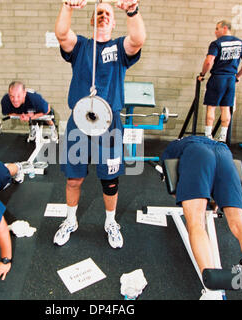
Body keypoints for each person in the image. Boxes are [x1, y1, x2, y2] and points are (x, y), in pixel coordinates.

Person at [53, 0, 145, 248]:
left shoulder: (119, 46)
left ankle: (110, 223)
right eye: (98, 13)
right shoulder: (82, 45)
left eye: (108, 13)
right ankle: (71, 221)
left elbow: (137, 39)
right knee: (73, 179)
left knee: (110, 180)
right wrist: (67, 5)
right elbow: (61, 33)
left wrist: (132, 10)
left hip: (110, 124)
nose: (103, 16)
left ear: (114, 22)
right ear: (92, 20)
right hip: (79, 122)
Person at [161, 135, 242, 300]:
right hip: (225, 154)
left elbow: (173, 181)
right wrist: (214, 197)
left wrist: (188, 197)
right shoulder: (217, 145)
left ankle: (212, 292)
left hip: (196, 154)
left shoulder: (174, 146)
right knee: (240, 225)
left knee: (196, 223)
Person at [198, 20, 242, 143]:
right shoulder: (241, 43)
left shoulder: (217, 43)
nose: (215, 31)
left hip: (218, 78)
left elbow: (208, 61)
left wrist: (202, 75)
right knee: (225, 108)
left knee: (211, 107)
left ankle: (208, 135)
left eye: (217, 28)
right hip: (230, 79)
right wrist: (237, 76)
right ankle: (223, 135)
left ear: (225, 28)